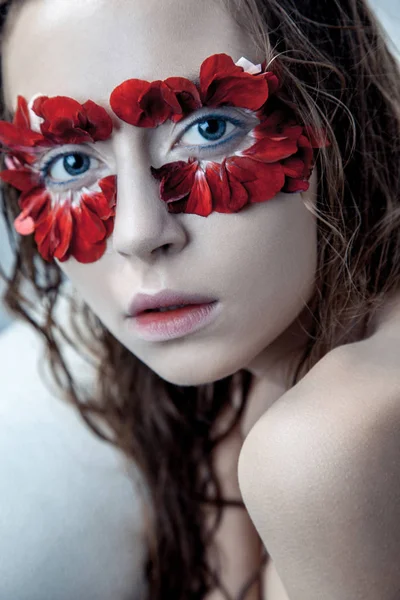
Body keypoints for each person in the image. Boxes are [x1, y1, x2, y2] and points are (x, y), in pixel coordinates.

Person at [0, 0, 399, 598]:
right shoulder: (262, 376)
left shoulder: (325, 446)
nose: (140, 233)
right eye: (72, 161)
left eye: (210, 127)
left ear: (340, 115)